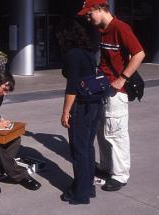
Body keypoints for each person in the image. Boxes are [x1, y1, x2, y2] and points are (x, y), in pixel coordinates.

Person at [77, 0, 145, 191]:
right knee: (103, 130)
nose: (88, 18)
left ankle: (120, 175)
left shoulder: (120, 27)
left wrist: (122, 78)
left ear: (100, 9)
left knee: (116, 132)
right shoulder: (103, 30)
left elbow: (139, 54)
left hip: (117, 91)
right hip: (103, 87)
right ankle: (107, 166)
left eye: (90, 14)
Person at [56, 19, 101, 205]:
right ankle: (88, 186)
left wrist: (66, 112)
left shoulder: (72, 54)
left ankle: (80, 193)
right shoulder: (88, 52)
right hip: (95, 103)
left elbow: (72, 87)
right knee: (88, 148)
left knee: (79, 151)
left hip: (81, 106)